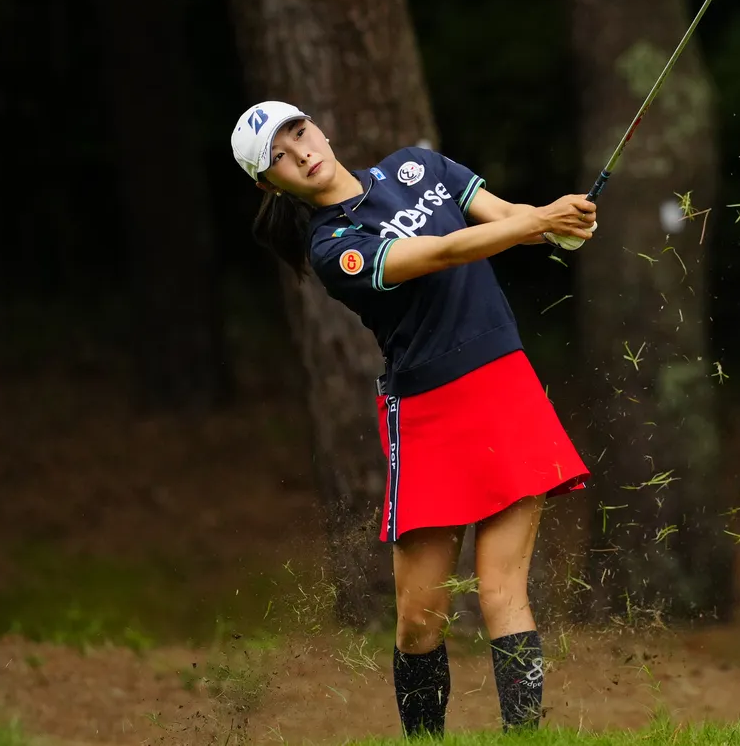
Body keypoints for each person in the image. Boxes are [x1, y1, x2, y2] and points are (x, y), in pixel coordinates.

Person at [230, 100, 596, 736]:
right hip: (428, 411)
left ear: (318, 126)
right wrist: (538, 220)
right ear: (271, 184)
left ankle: (526, 739)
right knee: (419, 620)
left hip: (502, 381)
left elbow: (509, 219)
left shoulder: (416, 167)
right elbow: (441, 253)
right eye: (280, 159)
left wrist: (559, 225)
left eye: (300, 133)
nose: (302, 153)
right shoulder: (333, 247)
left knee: (502, 590)